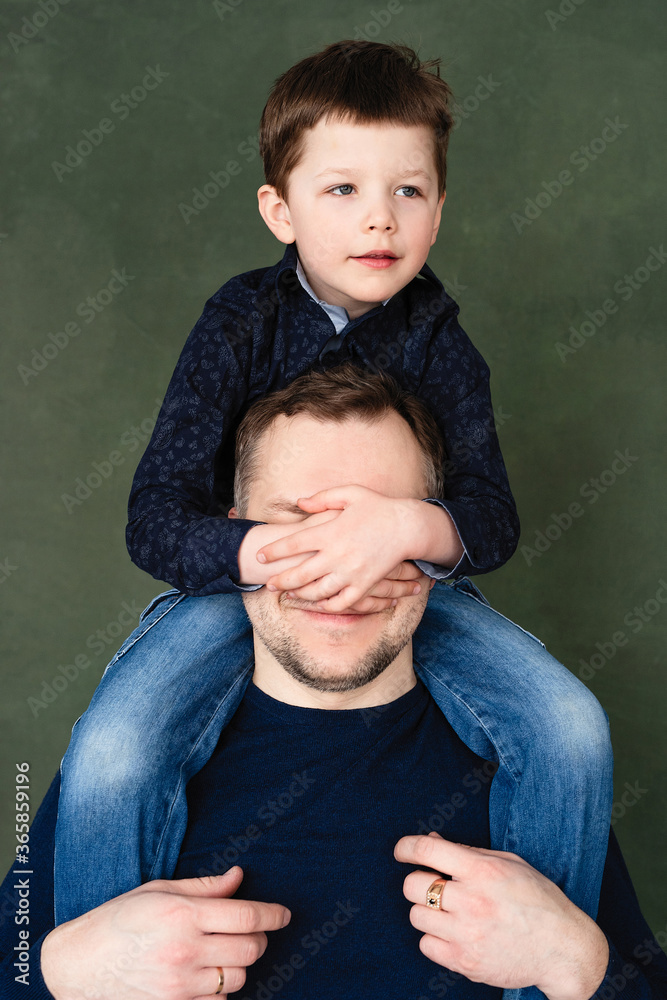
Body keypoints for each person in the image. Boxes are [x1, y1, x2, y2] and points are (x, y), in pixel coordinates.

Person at [54, 40, 613, 951]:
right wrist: (271, 553)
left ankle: (532, 961)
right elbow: (155, 516)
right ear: (280, 209)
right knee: (114, 755)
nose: (378, 220)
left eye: (408, 191)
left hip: (408, 589)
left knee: (570, 728)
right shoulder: (238, 324)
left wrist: (402, 528)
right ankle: (100, 965)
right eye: (342, 189)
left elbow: (491, 519)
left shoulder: (442, 346)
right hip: (241, 586)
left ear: (439, 210)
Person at [2, 368, 665, 1000]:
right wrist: (63, 973)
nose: (342, 571)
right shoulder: (126, 769)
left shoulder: (533, 769)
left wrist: (577, 965)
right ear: (230, 538)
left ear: (439, 544)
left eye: (381, 529)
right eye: (300, 525)